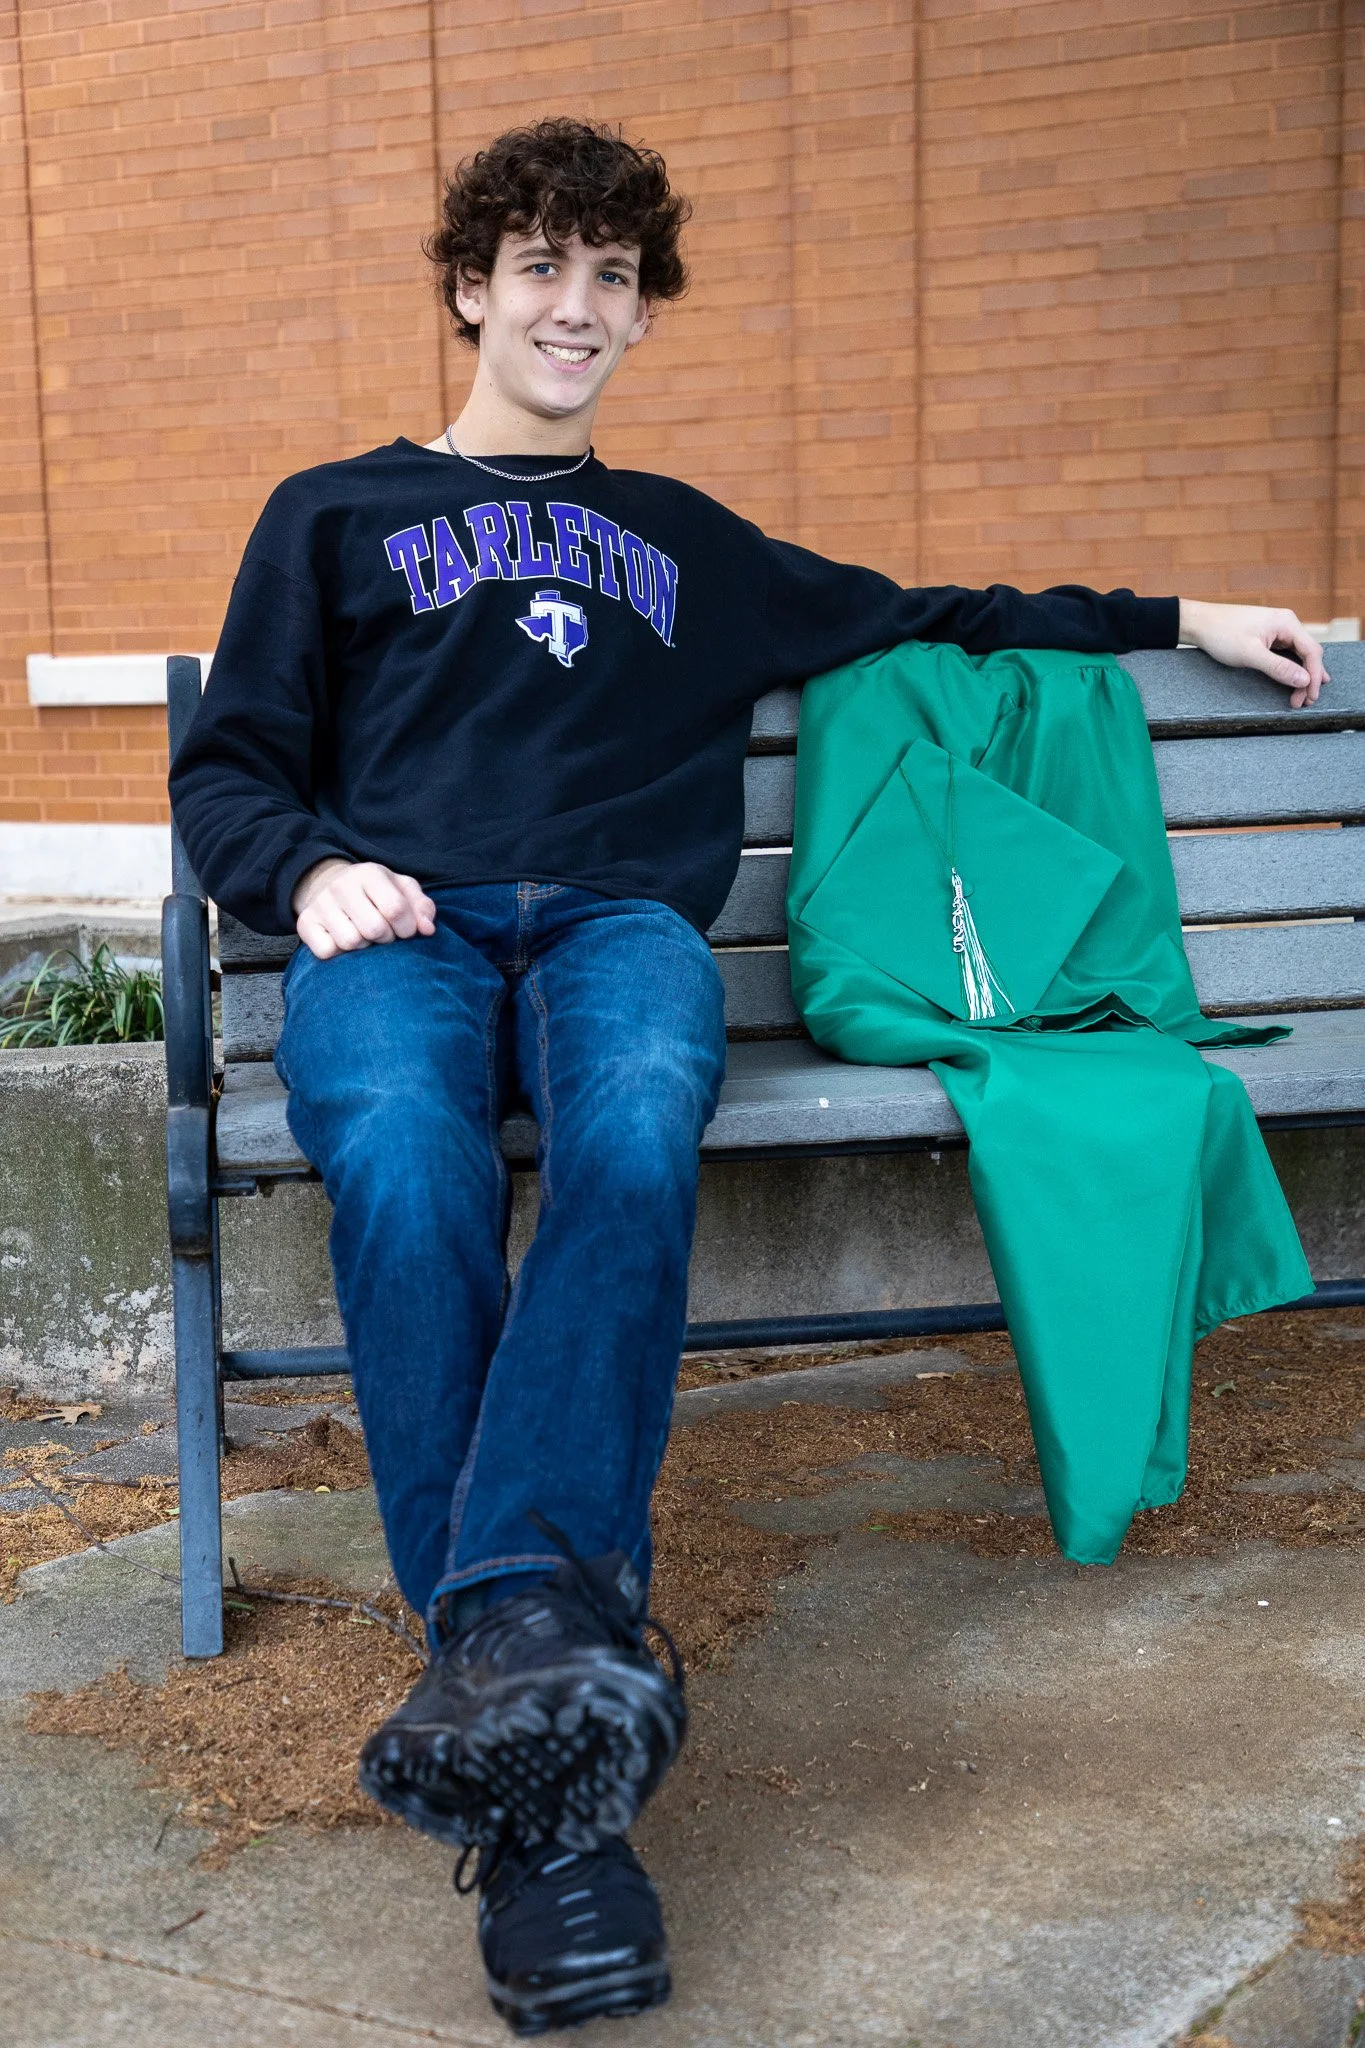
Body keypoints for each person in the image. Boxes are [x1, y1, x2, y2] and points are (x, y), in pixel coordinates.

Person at [169, 116, 1330, 2037]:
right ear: (473, 287)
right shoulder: (331, 513)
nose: (576, 305)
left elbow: (939, 610)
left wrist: (1183, 616)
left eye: (613, 279)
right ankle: (554, 1741)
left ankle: (507, 1658)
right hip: (400, 929)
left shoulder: (693, 546)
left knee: (633, 1127)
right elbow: (233, 767)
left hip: (623, 925)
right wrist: (311, 870)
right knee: (395, 1151)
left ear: (641, 316)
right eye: (540, 266)